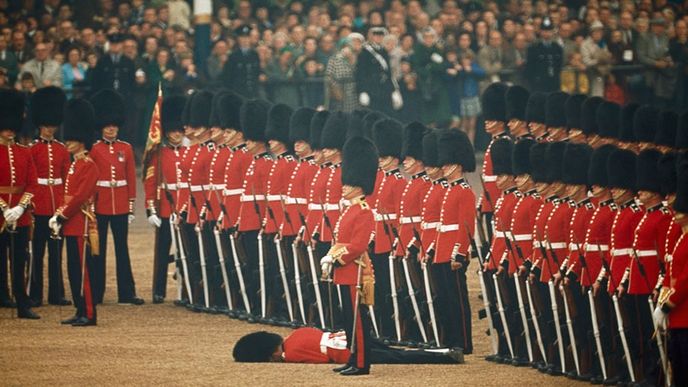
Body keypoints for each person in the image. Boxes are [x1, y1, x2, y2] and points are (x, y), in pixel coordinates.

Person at [320, 135, 378, 375]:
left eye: (347, 183)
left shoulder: (363, 211)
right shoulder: (349, 210)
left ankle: (362, 363)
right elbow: (340, 240)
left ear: (358, 184)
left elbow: (357, 245)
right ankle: (353, 357)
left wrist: (335, 257)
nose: (343, 187)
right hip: (344, 272)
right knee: (348, 320)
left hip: (354, 271)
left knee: (358, 322)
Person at [89, 89, 143, 305]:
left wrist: (130, 207)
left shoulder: (126, 149)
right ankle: (96, 292)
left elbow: (131, 178)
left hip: (120, 205)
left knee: (122, 249)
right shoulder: (94, 149)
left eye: (114, 125)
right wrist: (91, 206)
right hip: (100, 205)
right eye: (107, 125)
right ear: (102, 126)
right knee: (97, 250)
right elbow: (91, 180)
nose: (111, 128)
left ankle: (126, 293)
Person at [50, 98, 99, 326]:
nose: (67, 142)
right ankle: (79, 309)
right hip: (70, 222)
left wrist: (62, 215)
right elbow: (66, 196)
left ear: (81, 141)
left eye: (72, 139)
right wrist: (58, 214)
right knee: (72, 269)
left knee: (82, 272)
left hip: (81, 224)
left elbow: (80, 197)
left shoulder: (88, 165)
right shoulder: (74, 165)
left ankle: (89, 313)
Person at [27, 86, 70, 307]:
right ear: (39, 125)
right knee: (38, 254)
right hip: (39, 205)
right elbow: (31, 180)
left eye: (52, 126)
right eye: (46, 126)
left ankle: (56, 294)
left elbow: (66, 179)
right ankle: (35, 294)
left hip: (57, 207)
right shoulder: (32, 150)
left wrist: (63, 207)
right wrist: (31, 204)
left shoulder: (62, 150)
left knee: (56, 254)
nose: (49, 130)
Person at [0, 89, 40, 319]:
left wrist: (20, 207)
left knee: (20, 259)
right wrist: (5, 208)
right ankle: (2, 296)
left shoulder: (23, 152)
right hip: (1, 214)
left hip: (21, 213)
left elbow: (32, 184)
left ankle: (22, 303)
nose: (9, 130)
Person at [143, 95, 187, 304]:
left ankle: (186, 291)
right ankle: (158, 290)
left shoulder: (189, 152)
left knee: (187, 252)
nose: (177, 134)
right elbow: (151, 183)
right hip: (166, 209)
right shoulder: (158, 154)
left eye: (180, 131)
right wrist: (151, 210)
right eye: (173, 131)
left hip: (185, 208)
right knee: (162, 252)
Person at [232, 327, 463, 364]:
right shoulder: (297, 334)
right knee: (400, 352)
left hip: (350, 353)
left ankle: (446, 356)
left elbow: (323, 360)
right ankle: (444, 351)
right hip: (354, 339)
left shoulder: (290, 353)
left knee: (401, 357)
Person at [355, 27, 398, 116]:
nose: (379, 38)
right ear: (371, 37)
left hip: (385, 89)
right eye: (376, 36)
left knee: (387, 115)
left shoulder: (384, 51)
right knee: (372, 116)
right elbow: (361, 72)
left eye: (381, 36)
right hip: (371, 88)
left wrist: (393, 90)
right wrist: (363, 91)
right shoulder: (365, 52)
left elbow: (388, 72)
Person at [220, 25, 262, 99]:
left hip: (253, 93)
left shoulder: (255, 55)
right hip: (238, 93)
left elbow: (257, 72)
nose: (245, 40)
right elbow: (227, 77)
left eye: (247, 37)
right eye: (242, 37)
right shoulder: (233, 56)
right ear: (238, 39)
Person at [524, 17, 563, 92]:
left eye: (549, 31)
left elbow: (559, 65)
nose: (547, 33)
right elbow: (530, 67)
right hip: (538, 83)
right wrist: (533, 81)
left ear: (552, 32)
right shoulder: (534, 47)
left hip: (553, 82)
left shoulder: (557, 48)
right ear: (541, 32)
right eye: (544, 31)